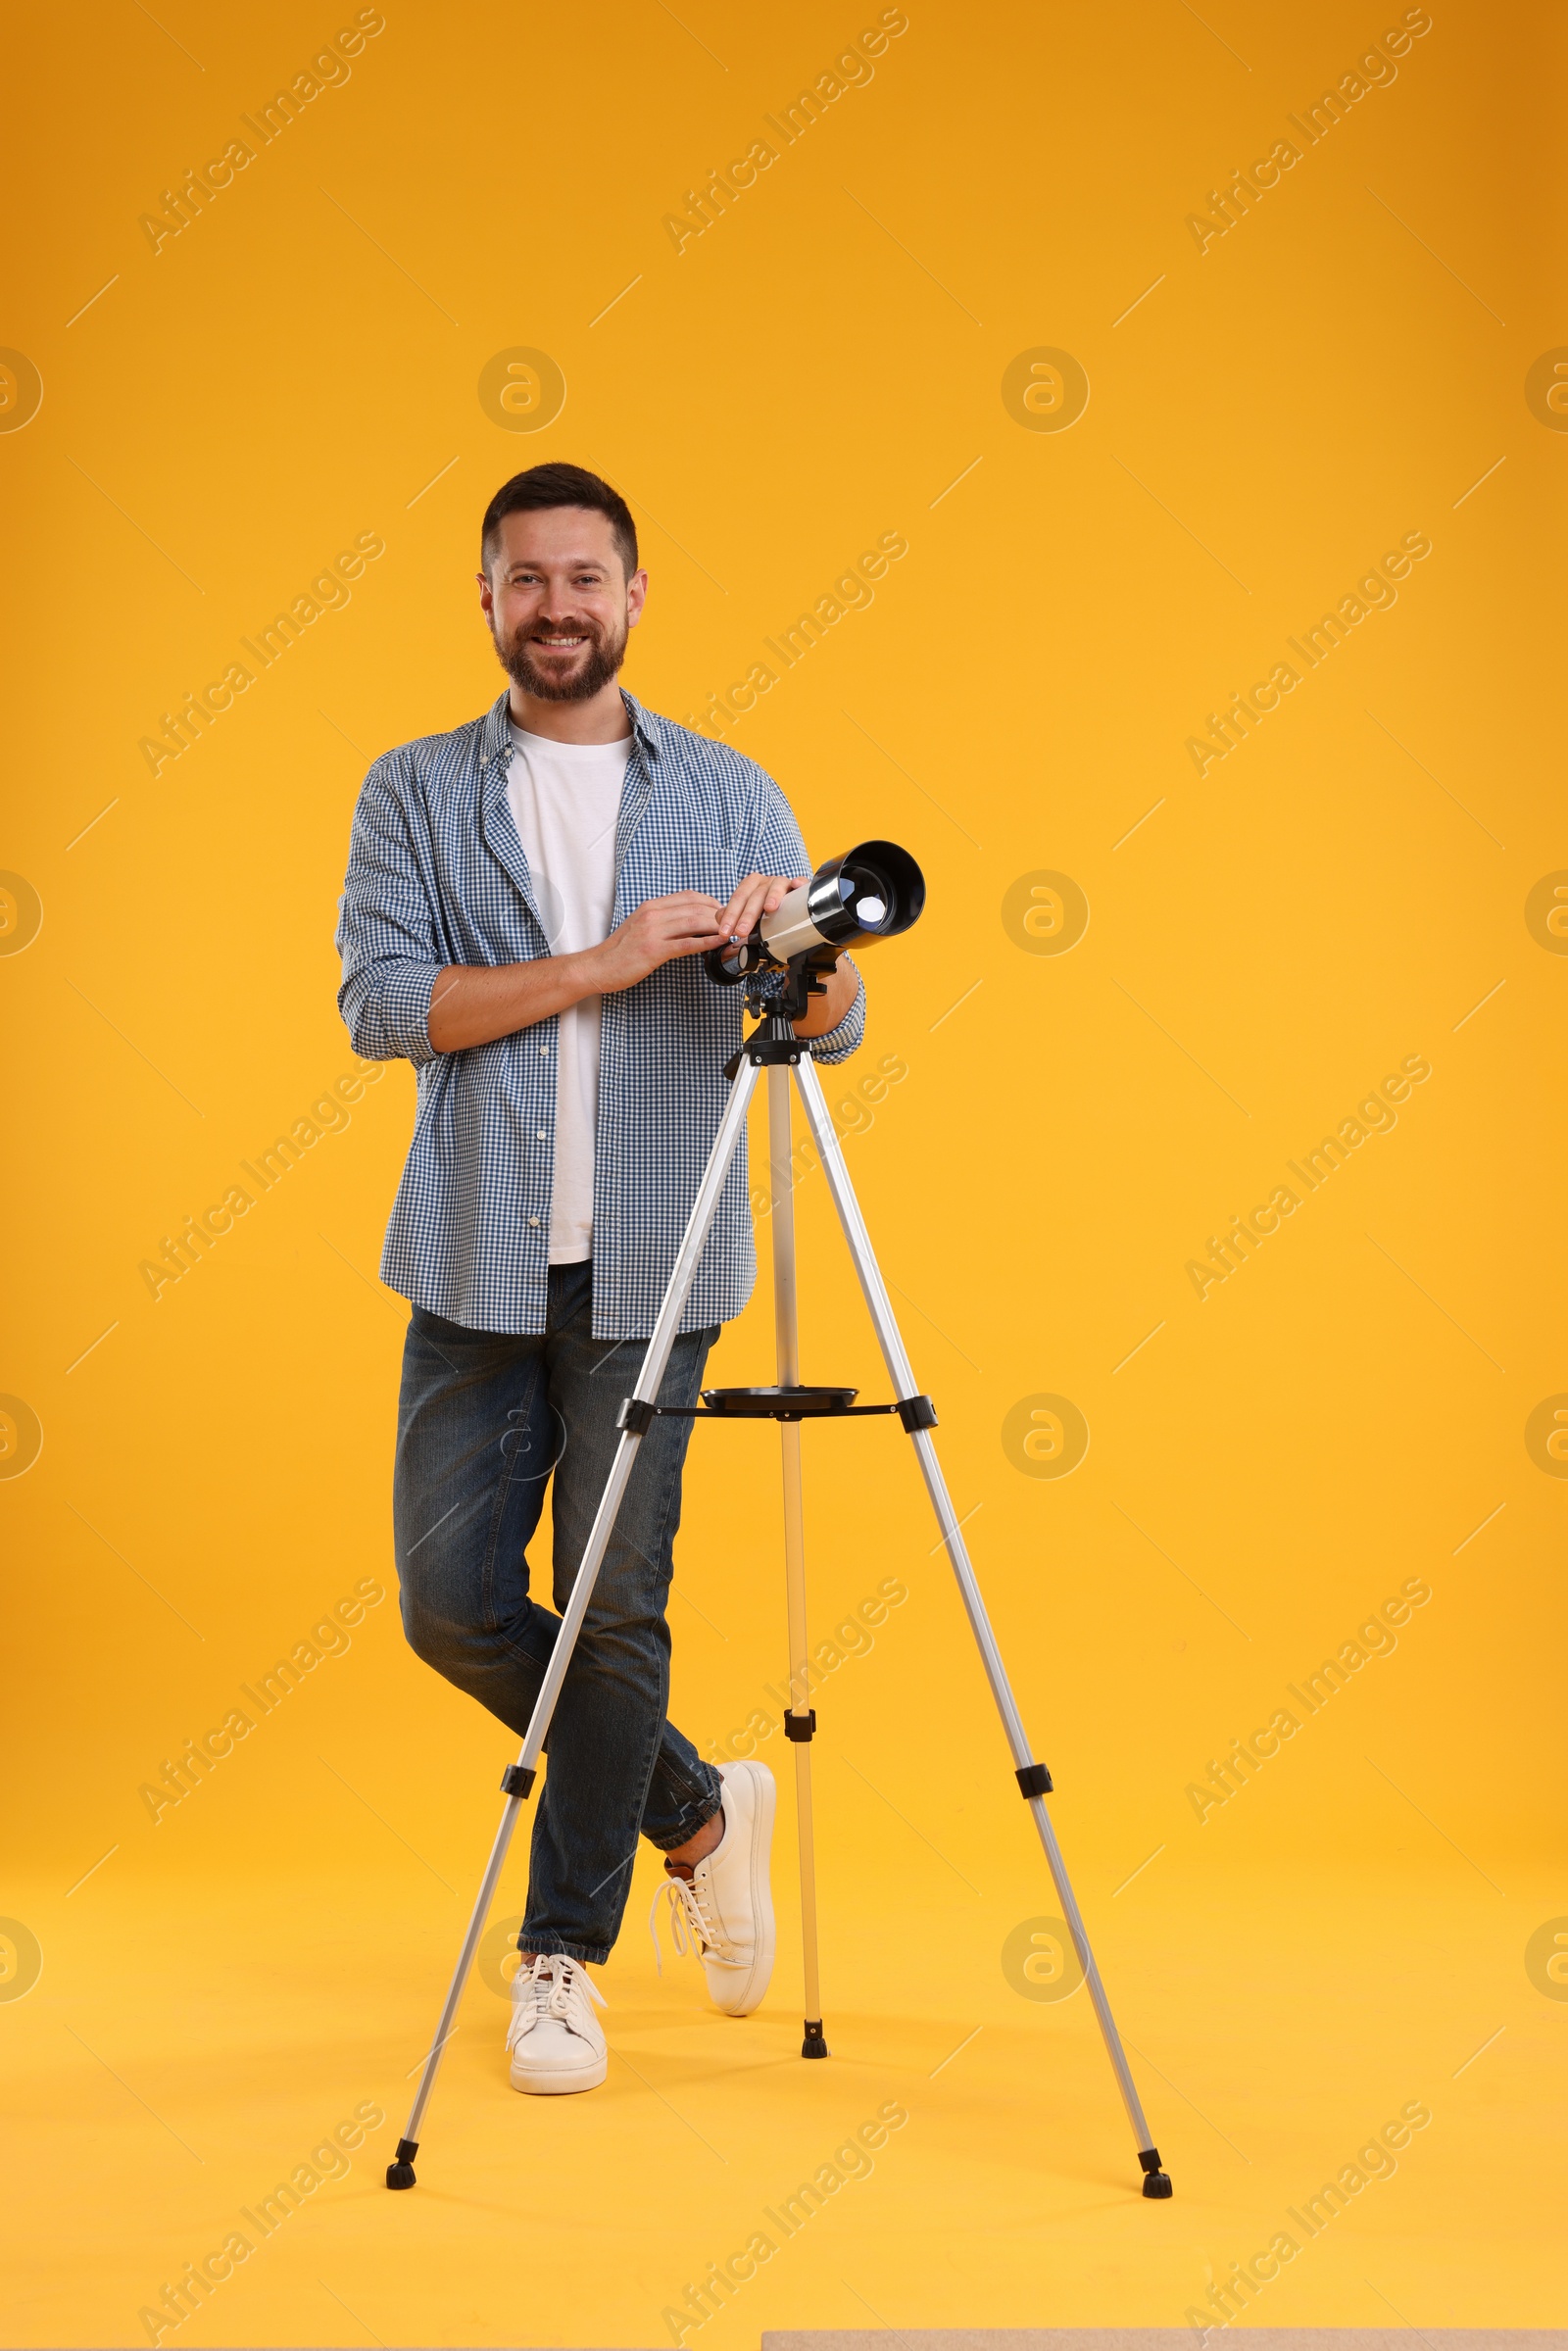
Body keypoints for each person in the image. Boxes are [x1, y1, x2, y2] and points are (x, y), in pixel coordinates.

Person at [335, 462, 864, 2096]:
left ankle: (562, 1956)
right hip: (477, 1250)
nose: (556, 605)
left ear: (635, 597)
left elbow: (835, 1028)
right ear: (487, 600)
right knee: (451, 1602)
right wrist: (611, 962)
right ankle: (699, 1814)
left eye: (585, 577)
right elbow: (382, 1006)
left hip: (662, 1255)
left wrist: (813, 966)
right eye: (525, 579)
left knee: (616, 1604)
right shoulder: (416, 791)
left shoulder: (730, 788)